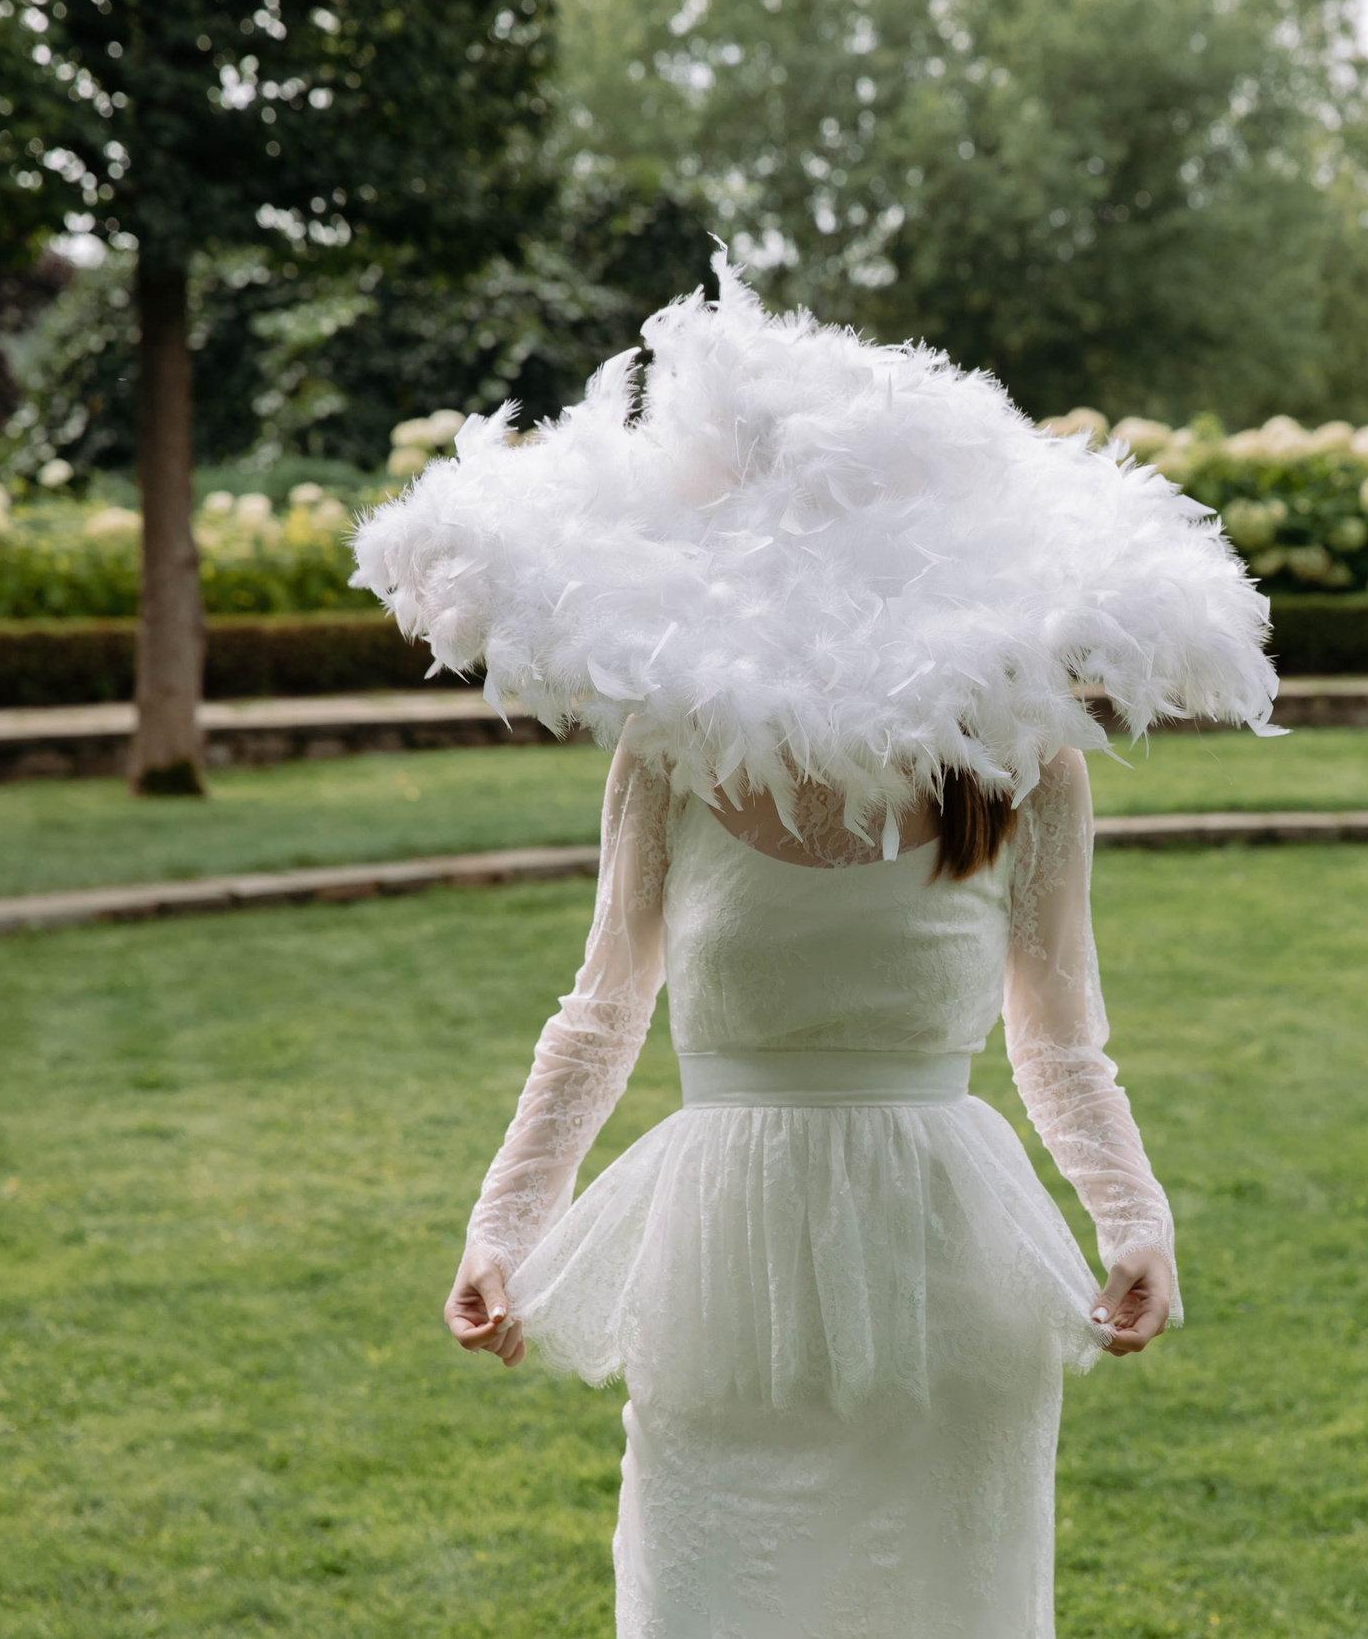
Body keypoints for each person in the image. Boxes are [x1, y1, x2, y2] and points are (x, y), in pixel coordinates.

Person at [351, 262, 1278, 1637]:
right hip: (727, 1262)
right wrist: (502, 1229)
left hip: (944, 1257)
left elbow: (1058, 1035)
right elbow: (600, 1014)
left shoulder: (1026, 770)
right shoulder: (666, 760)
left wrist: (1133, 1217)